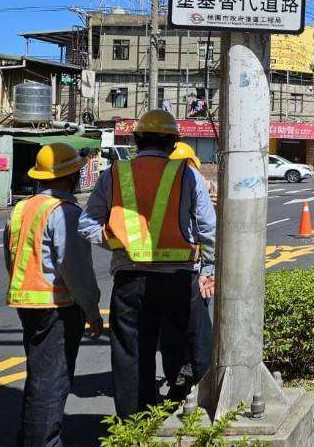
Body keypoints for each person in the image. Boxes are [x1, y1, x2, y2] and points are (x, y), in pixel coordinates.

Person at [78, 110, 216, 418]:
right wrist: (208, 268)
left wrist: (120, 243)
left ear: (137, 141)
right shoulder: (187, 174)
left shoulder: (114, 173)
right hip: (179, 278)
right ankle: (189, 411)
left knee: (130, 354)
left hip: (130, 279)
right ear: (172, 143)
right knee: (184, 346)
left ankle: (134, 424)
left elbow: (87, 225)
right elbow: (208, 227)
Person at [5, 143, 103, 447]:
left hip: (27, 301)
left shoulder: (21, 209)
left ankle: (30, 437)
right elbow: (76, 271)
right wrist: (92, 312)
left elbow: (12, 256)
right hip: (56, 304)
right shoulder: (65, 213)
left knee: (39, 372)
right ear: (71, 177)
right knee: (53, 376)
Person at [159, 141, 215, 401]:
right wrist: (209, 267)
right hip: (191, 268)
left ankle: (178, 381)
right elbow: (208, 228)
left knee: (171, 331)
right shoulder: (193, 181)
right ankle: (203, 386)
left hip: (156, 271)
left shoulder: (159, 185)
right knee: (199, 332)